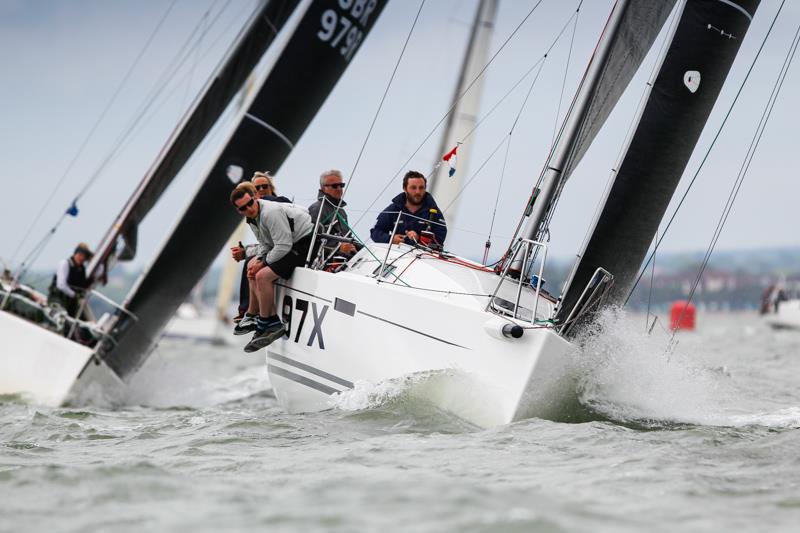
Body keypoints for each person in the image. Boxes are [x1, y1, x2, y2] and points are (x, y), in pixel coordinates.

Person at [230, 182, 315, 352]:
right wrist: (259, 260)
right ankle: (266, 319)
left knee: (263, 276)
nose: (249, 209)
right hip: (289, 245)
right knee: (251, 268)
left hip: (304, 243)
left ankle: (265, 322)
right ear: (239, 211)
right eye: (243, 208)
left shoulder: (270, 212)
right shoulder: (251, 218)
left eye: (250, 203)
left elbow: (283, 245)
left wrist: (263, 262)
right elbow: (265, 244)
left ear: (255, 199)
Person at [233, 172, 291, 322]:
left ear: (271, 188)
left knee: (255, 268)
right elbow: (264, 244)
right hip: (276, 248)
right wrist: (246, 252)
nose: (261, 190)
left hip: (289, 249)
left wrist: (258, 260)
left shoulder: (277, 204)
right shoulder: (254, 215)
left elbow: (279, 243)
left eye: (264, 186)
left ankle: (260, 314)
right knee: (251, 264)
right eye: (256, 188)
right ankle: (249, 310)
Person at [370, 170, 447, 246]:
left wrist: (418, 238)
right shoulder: (394, 209)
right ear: (404, 188)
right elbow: (375, 232)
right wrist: (391, 239)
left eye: (421, 188)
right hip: (395, 253)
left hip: (421, 255)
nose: (418, 192)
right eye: (413, 188)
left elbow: (440, 238)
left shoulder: (433, 211)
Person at [308, 169, 357, 261]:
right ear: (323, 188)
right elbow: (309, 242)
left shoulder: (341, 211)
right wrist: (338, 248)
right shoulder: (317, 209)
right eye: (334, 186)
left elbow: (348, 237)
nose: (339, 189)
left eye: (341, 185)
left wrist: (355, 247)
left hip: (344, 261)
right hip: (322, 264)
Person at [48, 243, 93, 318]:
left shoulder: (82, 269)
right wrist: (74, 294)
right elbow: (61, 285)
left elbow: (82, 285)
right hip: (58, 299)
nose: (83, 259)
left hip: (71, 303)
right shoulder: (65, 263)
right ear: (77, 254)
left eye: (85, 257)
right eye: (82, 255)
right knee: (62, 315)